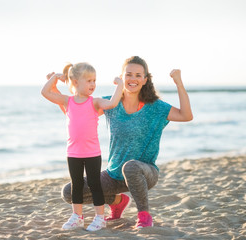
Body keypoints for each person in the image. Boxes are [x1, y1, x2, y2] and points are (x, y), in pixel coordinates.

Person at [60, 56, 193, 229]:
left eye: (138, 75)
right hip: (114, 175)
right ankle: (117, 201)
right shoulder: (111, 103)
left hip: (145, 172)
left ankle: (144, 215)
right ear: (122, 78)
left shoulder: (156, 107)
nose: (133, 79)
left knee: (130, 166)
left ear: (145, 80)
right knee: (69, 192)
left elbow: (186, 115)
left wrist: (179, 84)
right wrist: (64, 84)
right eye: (129, 74)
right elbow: (76, 111)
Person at [41, 62, 124, 231]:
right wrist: (55, 78)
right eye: (89, 81)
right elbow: (45, 92)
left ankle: (100, 218)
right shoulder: (67, 101)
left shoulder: (95, 102)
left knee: (95, 185)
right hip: (73, 153)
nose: (93, 84)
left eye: (94, 80)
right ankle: (77, 217)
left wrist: (120, 84)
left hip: (92, 153)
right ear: (75, 81)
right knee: (76, 185)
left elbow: (113, 103)